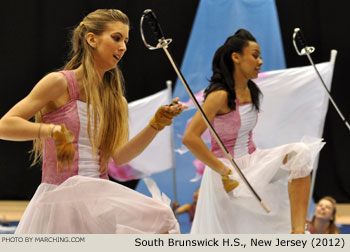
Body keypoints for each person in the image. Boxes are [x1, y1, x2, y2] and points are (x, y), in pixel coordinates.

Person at [0, 9, 186, 234]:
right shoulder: (59, 83)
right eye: (116, 38)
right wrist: (52, 131)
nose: (124, 47)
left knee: (162, 220)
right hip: (61, 197)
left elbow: (120, 156)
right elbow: (5, 125)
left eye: (126, 41)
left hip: (98, 198)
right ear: (92, 39)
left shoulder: (115, 99)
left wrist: (155, 124)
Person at [182, 29, 324, 234]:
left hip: (253, 160)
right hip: (226, 170)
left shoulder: (251, 90)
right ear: (236, 57)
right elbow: (190, 138)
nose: (261, 61)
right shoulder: (219, 95)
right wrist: (223, 171)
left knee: (300, 153)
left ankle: (298, 234)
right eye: (255, 55)